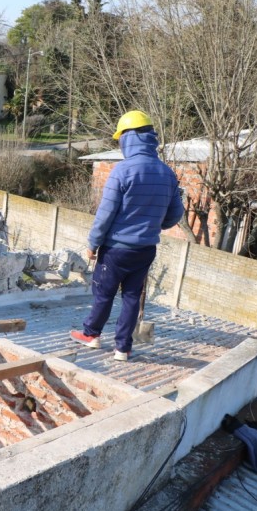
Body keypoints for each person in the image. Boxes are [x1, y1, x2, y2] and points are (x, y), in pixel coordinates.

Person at [70, 110, 184, 361]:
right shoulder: (167, 173)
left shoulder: (122, 171)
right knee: (132, 297)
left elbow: (105, 214)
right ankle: (123, 348)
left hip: (116, 249)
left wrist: (93, 244)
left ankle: (91, 334)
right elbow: (176, 214)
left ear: (127, 138)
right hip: (145, 250)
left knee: (104, 293)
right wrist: (154, 224)